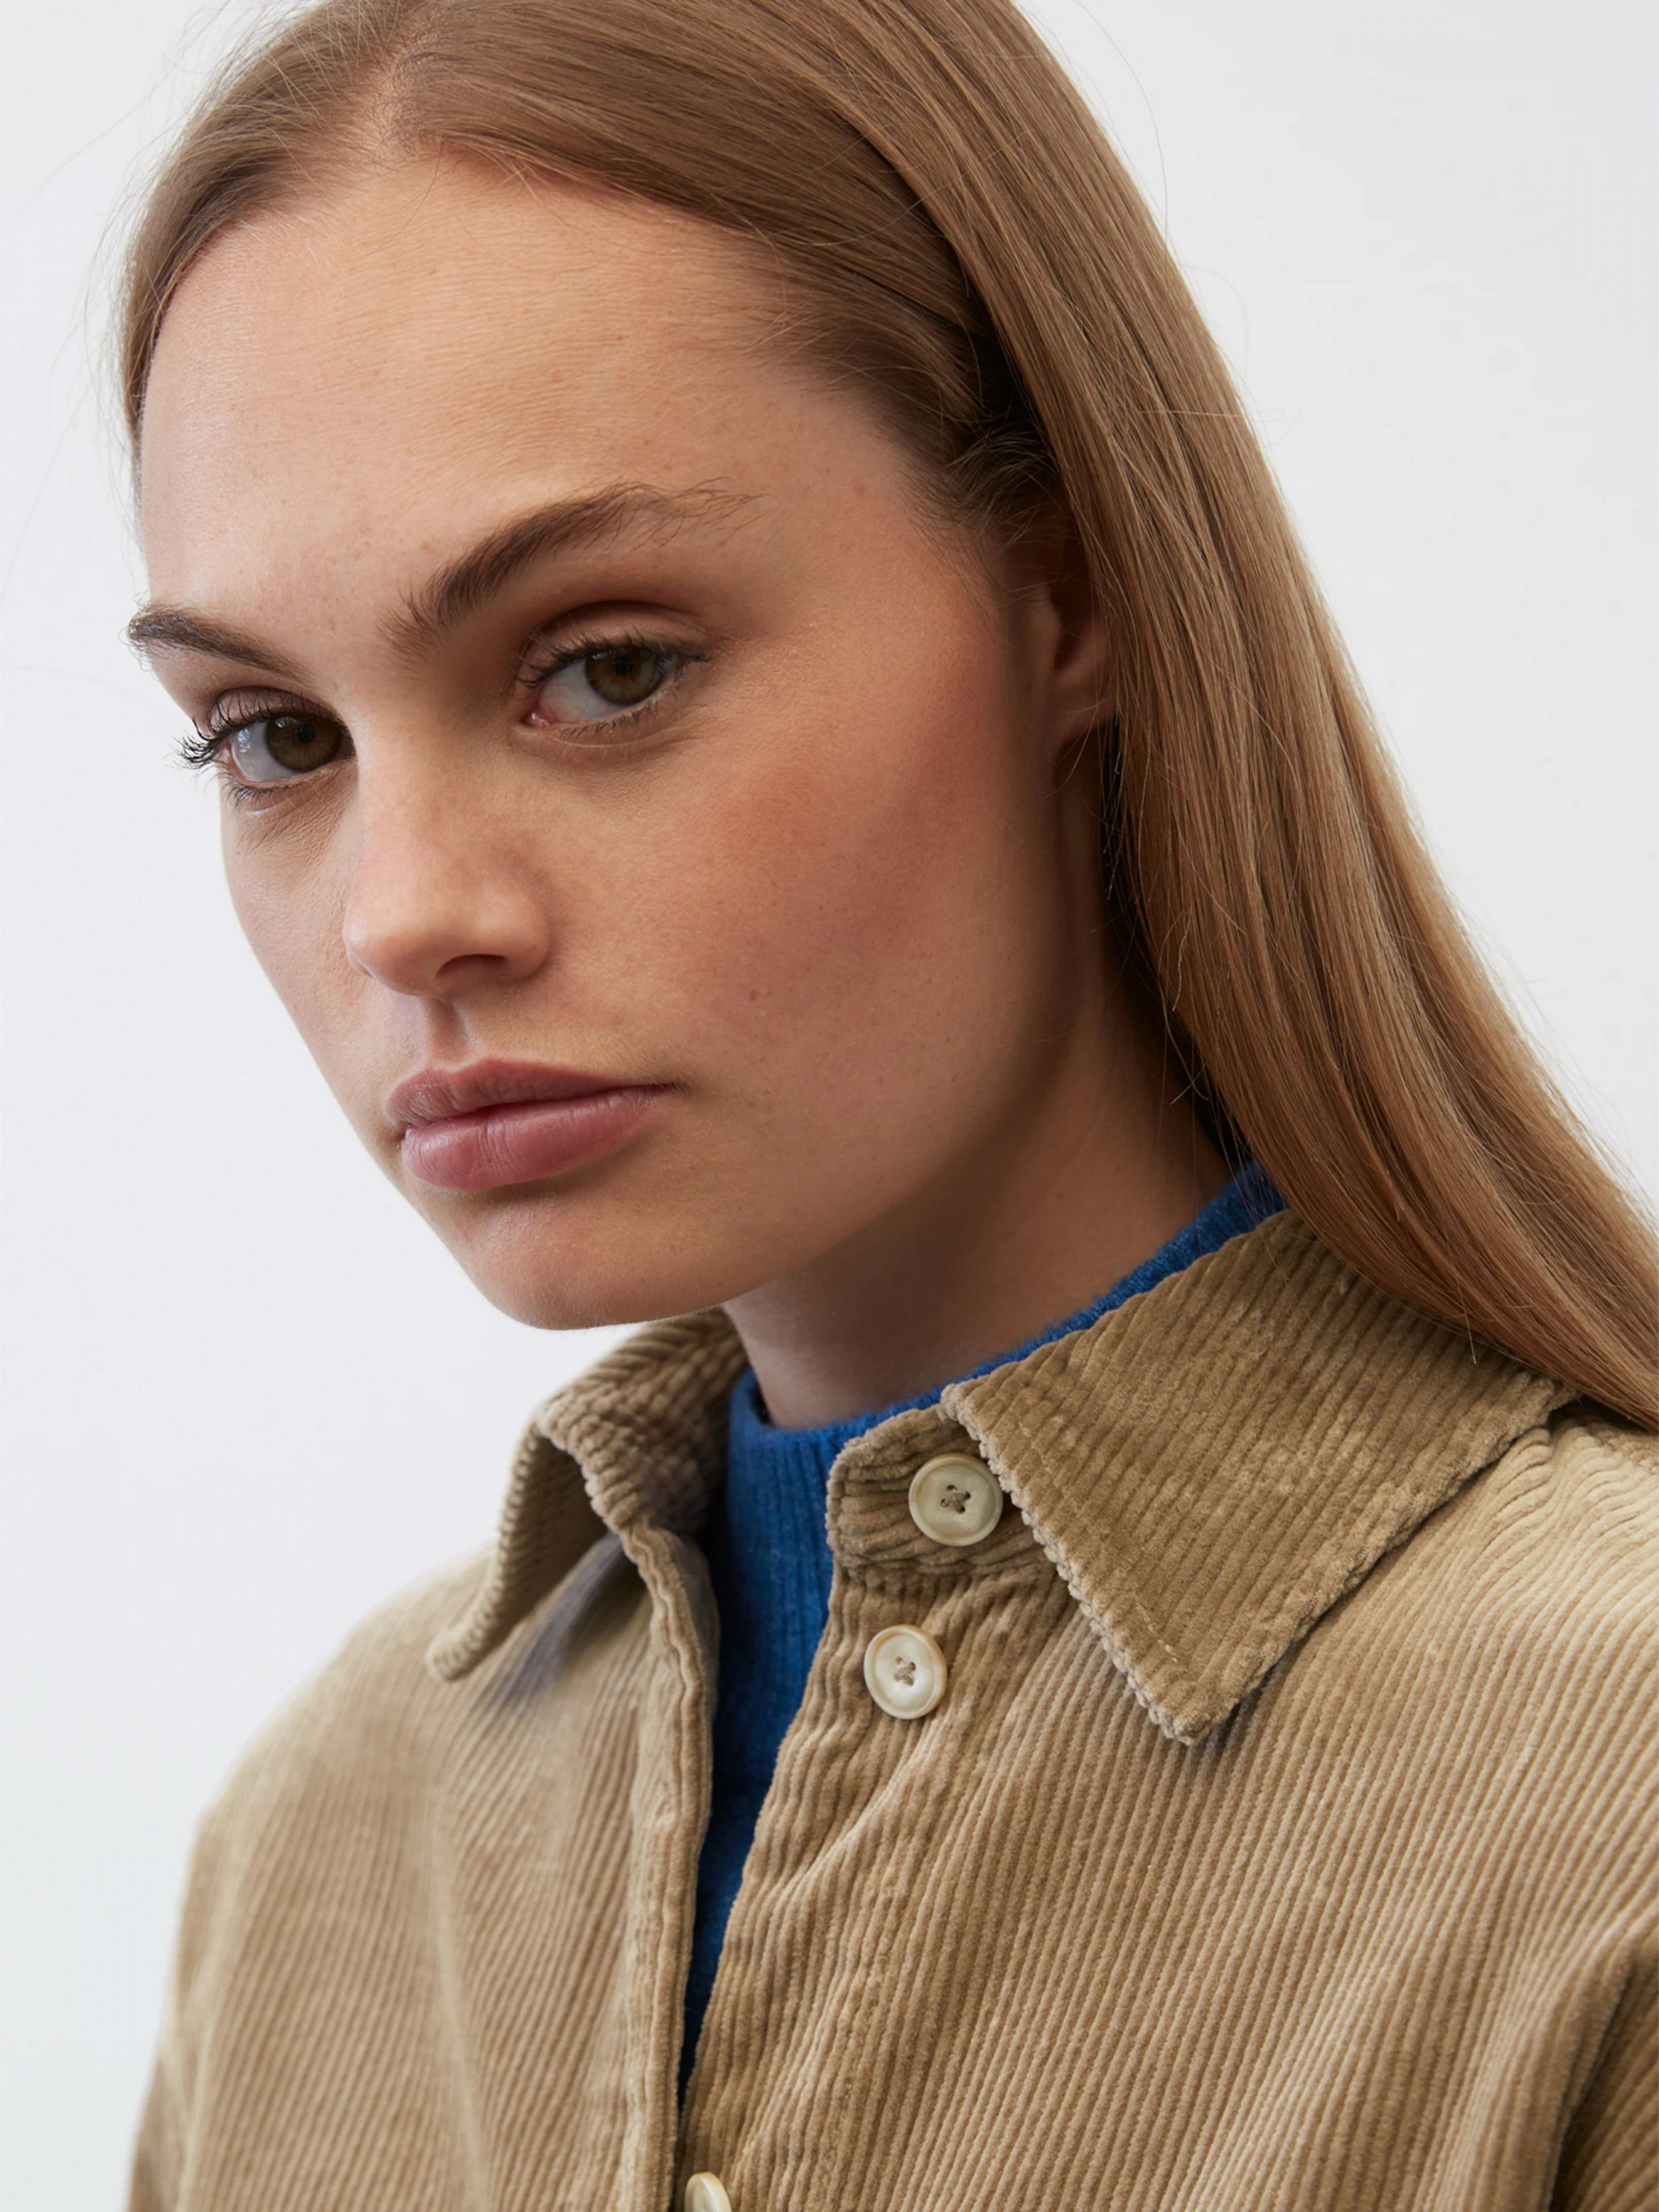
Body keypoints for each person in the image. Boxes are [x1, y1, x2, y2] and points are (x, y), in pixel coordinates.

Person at [118, 0, 1655, 2204]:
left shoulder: (1612, 1807)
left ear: (1066, 593)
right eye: (277, 736)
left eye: (607, 667)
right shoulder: (327, 1843)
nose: (405, 913)